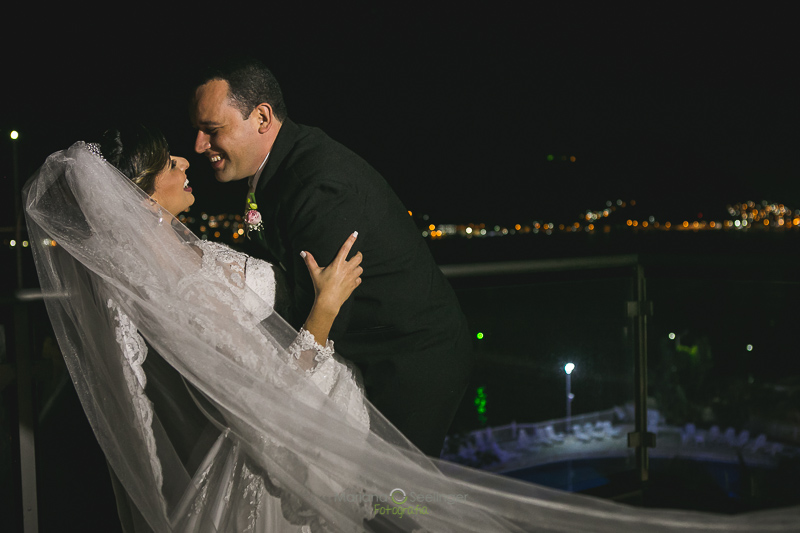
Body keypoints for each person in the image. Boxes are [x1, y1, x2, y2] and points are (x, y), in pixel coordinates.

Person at [24, 134, 800, 532]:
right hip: (280, 455)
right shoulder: (175, 284)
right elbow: (260, 395)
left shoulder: (177, 256)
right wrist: (324, 307)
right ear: (136, 196)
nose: (186, 160)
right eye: (167, 162)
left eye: (192, 144)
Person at [192, 57, 475, 457]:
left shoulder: (317, 184)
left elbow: (326, 315)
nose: (199, 145)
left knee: (393, 505)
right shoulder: (288, 163)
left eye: (211, 130)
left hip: (410, 364)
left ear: (261, 117)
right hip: (375, 351)